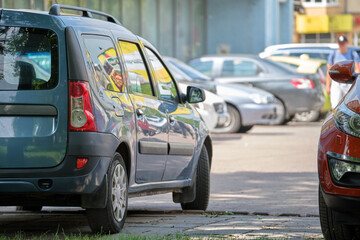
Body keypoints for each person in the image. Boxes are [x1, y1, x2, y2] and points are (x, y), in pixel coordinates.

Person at [326, 35, 360, 109]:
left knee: (350, 104)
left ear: (347, 43)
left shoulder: (353, 54)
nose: (341, 45)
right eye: (340, 43)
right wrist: (327, 85)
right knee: (335, 105)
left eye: (343, 43)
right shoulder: (333, 54)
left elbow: (357, 69)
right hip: (336, 82)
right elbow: (329, 71)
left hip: (349, 81)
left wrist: (356, 84)